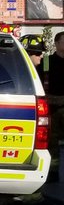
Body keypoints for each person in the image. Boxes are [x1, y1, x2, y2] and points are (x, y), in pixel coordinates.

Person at [44, 31, 64, 183]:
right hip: (52, 107)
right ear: (56, 44)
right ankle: (53, 174)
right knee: (52, 141)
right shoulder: (46, 61)